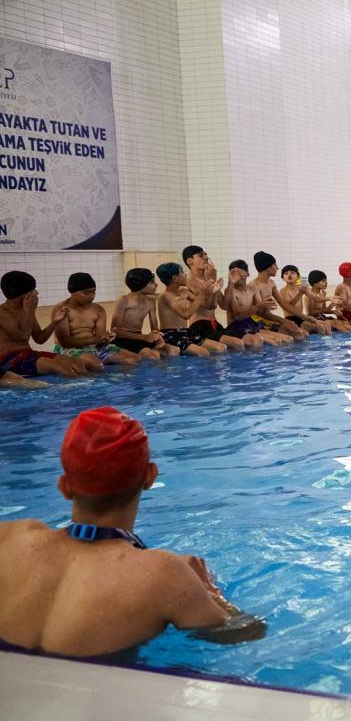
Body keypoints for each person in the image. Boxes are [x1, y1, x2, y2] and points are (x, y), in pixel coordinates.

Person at [0, 407, 265, 656]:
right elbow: (246, 633)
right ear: (150, 477)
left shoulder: (9, 537)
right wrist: (209, 590)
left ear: (64, 486)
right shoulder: (165, 574)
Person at [1, 272, 90, 385]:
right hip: (8, 360)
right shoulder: (3, 313)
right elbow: (21, 337)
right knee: (61, 367)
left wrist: (55, 322)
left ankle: (93, 384)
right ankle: (76, 394)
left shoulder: (25, 311)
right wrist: (30, 311)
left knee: (76, 363)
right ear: (25, 295)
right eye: (33, 290)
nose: (36, 293)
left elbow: (39, 338)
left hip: (28, 355)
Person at [50, 273, 140, 369]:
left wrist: (105, 339)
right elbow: (65, 342)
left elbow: (100, 338)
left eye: (94, 292)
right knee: (96, 365)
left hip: (92, 346)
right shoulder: (62, 309)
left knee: (134, 358)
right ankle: (101, 360)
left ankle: (106, 360)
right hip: (67, 348)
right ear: (72, 292)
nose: (92, 296)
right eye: (87, 293)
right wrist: (95, 340)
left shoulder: (98, 310)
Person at [184, 246, 245, 352]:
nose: (206, 257)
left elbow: (224, 305)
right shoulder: (190, 281)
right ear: (190, 261)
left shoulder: (207, 278)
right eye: (200, 255)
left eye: (206, 254)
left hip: (214, 324)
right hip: (200, 326)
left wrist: (231, 284)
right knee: (235, 345)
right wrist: (212, 280)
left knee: (242, 343)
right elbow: (210, 305)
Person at [154, 264, 217, 357]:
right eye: (182, 272)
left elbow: (208, 306)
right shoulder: (165, 296)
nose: (186, 275)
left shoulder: (184, 291)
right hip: (171, 334)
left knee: (220, 348)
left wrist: (213, 292)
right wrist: (202, 294)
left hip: (185, 332)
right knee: (203, 353)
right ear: (175, 278)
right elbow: (185, 314)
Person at [110, 269, 174, 359]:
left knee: (173, 351)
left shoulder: (150, 302)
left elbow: (154, 328)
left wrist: (157, 336)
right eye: (151, 282)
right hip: (122, 340)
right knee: (154, 356)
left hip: (139, 338)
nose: (156, 285)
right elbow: (115, 331)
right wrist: (144, 337)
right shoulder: (124, 301)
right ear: (141, 284)